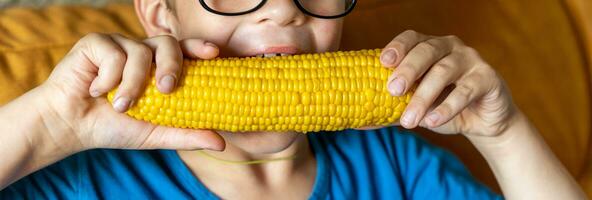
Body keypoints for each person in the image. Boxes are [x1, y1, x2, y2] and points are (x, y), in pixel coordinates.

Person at [0, 0, 586, 199]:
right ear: (159, 14)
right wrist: (49, 123)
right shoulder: (85, 176)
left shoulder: (396, 165)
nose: (285, 7)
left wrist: (505, 134)